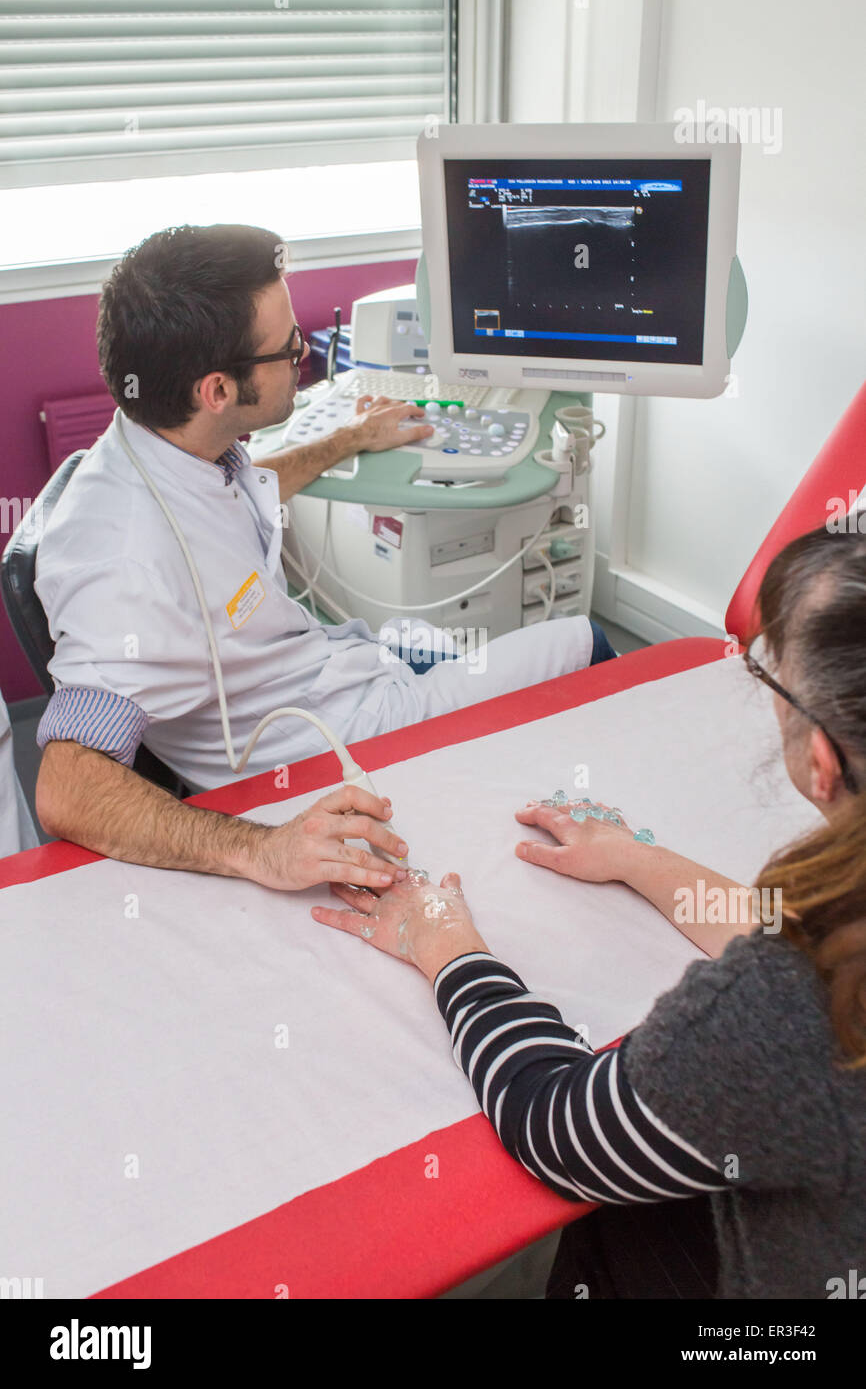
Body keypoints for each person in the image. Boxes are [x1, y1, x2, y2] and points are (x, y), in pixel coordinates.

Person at [311, 522, 866, 1298]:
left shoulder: (777, 1014)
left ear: (822, 760)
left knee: (609, 1219)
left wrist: (449, 948)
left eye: (772, 681)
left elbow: (556, 1125)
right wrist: (640, 861)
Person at [34, 223, 615, 893]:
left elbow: (244, 492)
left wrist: (350, 438)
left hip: (345, 662)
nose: (305, 355)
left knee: (465, 648)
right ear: (217, 390)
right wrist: (258, 849)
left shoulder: (162, 442)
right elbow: (66, 788)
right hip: (344, 732)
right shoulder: (126, 567)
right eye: (289, 349)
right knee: (585, 640)